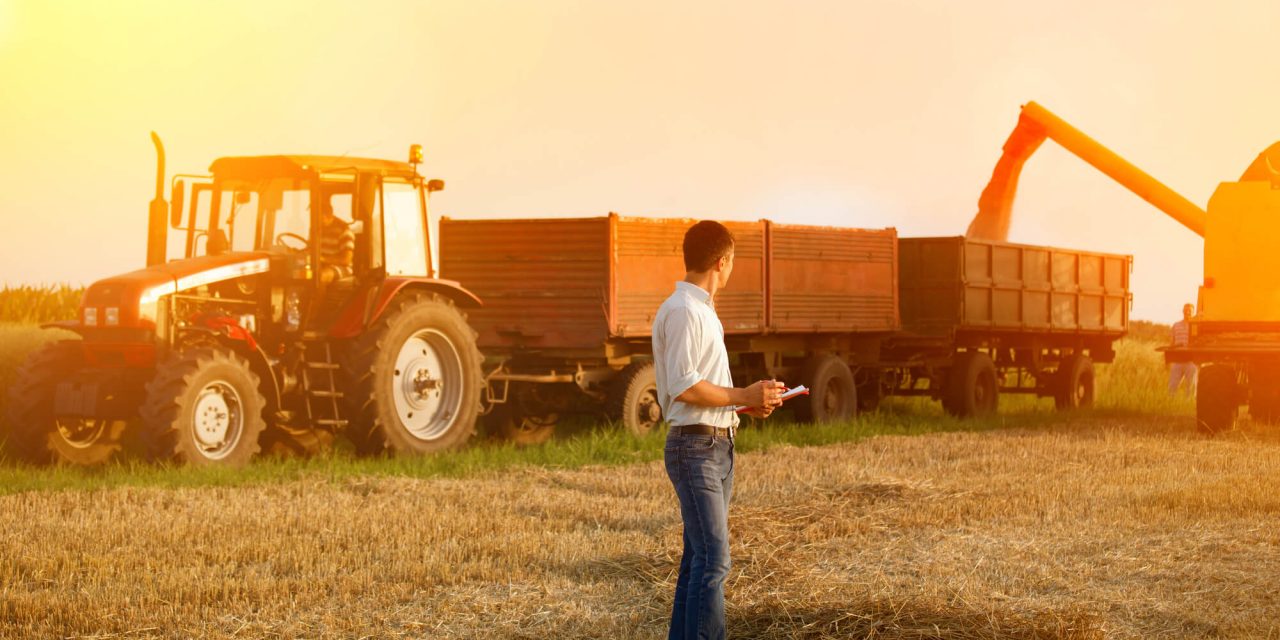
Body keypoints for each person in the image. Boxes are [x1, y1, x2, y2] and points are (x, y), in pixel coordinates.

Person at [652, 220, 785, 640]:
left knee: (698, 559)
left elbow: (707, 385)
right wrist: (741, 393)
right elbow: (685, 386)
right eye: (732, 264)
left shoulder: (702, 311)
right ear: (721, 261)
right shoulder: (684, 311)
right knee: (714, 560)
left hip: (716, 444)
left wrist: (750, 401)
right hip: (695, 448)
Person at [317, 199, 355, 284]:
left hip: (342, 268)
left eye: (320, 218)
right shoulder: (316, 229)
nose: (317, 221)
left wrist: (323, 259)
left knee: (320, 276)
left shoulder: (344, 230)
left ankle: (318, 298)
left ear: (327, 215)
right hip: (321, 265)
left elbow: (346, 260)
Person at [1169, 303, 1197, 397]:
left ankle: (1188, 406)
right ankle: (1170, 404)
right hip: (1177, 360)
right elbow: (1171, 342)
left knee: (1191, 387)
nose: (1187, 312)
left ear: (1193, 312)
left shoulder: (1196, 326)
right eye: (1186, 310)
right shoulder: (1176, 325)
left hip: (1191, 361)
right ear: (1182, 311)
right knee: (1172, 386)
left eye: (1190, 311)